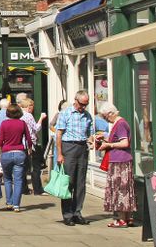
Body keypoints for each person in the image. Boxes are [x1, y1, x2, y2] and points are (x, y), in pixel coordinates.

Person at [55, 90, 95, 226]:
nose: (83, 107)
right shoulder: (65, 113)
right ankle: (67, 214)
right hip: (69, 147)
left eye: (86, 104)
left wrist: (92, 140)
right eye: (82, 104)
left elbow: (90, 133)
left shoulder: (88, 115)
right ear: (75, 100)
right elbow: (59, 134)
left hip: (82, 148)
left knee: (80, 183)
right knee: (68, 182)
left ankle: (77, 212)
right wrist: (60, 154)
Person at [96, 102, 135, 228]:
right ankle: (127, 218)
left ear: (111, 113)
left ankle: (121, 220)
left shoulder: (120, 124)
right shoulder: (119, 124)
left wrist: (109, 145)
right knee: (124, 189)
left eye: (106, 117)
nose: (107, 119)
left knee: (120, 190)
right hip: (120, 160)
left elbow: (124, 143)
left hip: (120, 162)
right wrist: (106, 138)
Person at [0, 102, 32, 212]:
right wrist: (29, 149)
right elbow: (28, 139)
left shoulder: (4, 124)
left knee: (7, 179)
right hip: (19, 153)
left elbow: (0, 139)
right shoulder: (22, 123)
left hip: (6, 153)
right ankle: (16, 205)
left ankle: (9, 202)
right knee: (18, 180)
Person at [18, 98, 46, 195]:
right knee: (35, 167)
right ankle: (38, 189)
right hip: (30, 144)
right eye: (32, 106)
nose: (33, 108)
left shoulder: (18, 115)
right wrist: (41, 118)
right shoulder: (28, 115)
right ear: (29, 106)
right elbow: (36, 128)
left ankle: (23, 189)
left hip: (20, 144)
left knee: (23, 167)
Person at [47, 99, 69, 173]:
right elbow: (51, 125)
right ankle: (57, 174)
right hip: (59, 139)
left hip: (66, 140)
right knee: (57, 157)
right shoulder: (59, 114)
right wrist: (57, 132)